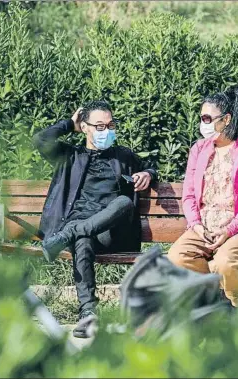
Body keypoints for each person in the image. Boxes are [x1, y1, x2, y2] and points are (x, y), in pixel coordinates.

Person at [33, 100, 157, 338]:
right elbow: (40, 140)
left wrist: (146, 174)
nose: (107, 131)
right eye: (99, 126)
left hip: (112, 233)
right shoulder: (70, 155)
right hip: (83, 230)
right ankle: (88, 313)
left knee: (123, 202)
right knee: (83, 239)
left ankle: (67, 235)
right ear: (85, 127)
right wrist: (69, 124)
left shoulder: (123, 155)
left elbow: (151, 167)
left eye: (110, 125)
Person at [167, 86, 238, 308]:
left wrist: (228, 231)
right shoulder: (198, 149)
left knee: (224, 263)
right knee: (176, 258)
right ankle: (221, 301)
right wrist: (195, 225)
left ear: (226, 120)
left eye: (207, 118)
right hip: (203, 228)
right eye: (201, 118)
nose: (202, 124)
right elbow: (189, 195)